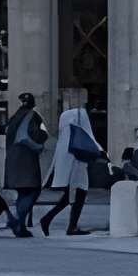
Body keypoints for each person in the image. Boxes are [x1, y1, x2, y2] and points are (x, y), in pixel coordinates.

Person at [44, 89, 102, 234]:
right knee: (79, 193)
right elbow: (89, 136)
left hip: (68, 164)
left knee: (71, 195)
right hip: (77, 164)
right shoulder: (80, 118)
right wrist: (102, 152)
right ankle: (70, 226)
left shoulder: (65, 126)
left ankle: (51, 219)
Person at [0, 95, 47, 237]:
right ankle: (18, 220)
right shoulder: (33, 116)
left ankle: (20, 226)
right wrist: (43, 136)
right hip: (26, 158)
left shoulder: (15, 117)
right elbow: (38, 134)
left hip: (12, 157)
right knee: (33, 190)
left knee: (22, 192)